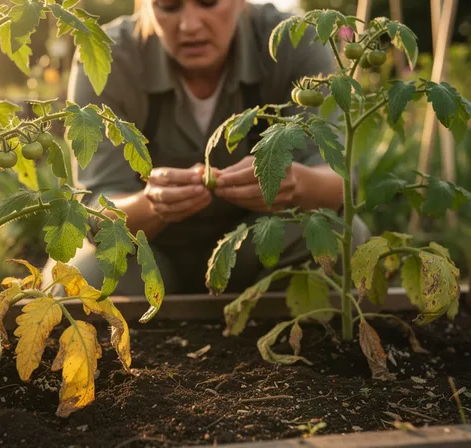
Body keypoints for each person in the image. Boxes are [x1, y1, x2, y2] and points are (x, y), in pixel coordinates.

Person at [50, 0, 369, 294]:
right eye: (168, 6)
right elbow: (97, 211)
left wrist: (295, 183)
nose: (189, 25)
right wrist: (152, 203)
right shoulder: (106, 57)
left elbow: (338, 180)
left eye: (208, 2)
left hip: (256, 245)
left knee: (341, 236)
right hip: (148, 256)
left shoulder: (292, 40)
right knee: (81, 279)